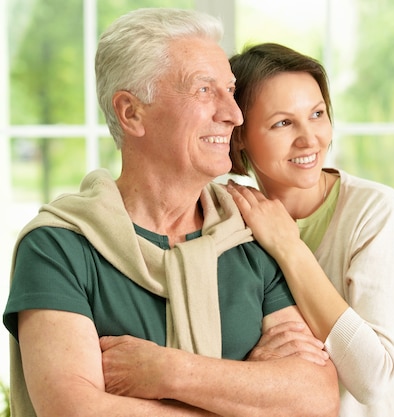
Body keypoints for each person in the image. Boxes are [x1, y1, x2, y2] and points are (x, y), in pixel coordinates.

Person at [2, 9, 338, 417]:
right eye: (203, 90)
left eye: (230, 91)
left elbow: (316, 399)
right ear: (131, 113)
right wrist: (247, 397)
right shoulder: (59, 248)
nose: (233, 114)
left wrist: (168, 373)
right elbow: (75, 411)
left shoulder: (251, 230)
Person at [224, 43, 394, 416]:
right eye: (283, 122)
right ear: (240, 135)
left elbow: (372, 380)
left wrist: (288, 247)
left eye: (317, 114)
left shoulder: (375, 212)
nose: (309, 138)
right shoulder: (231, 216)